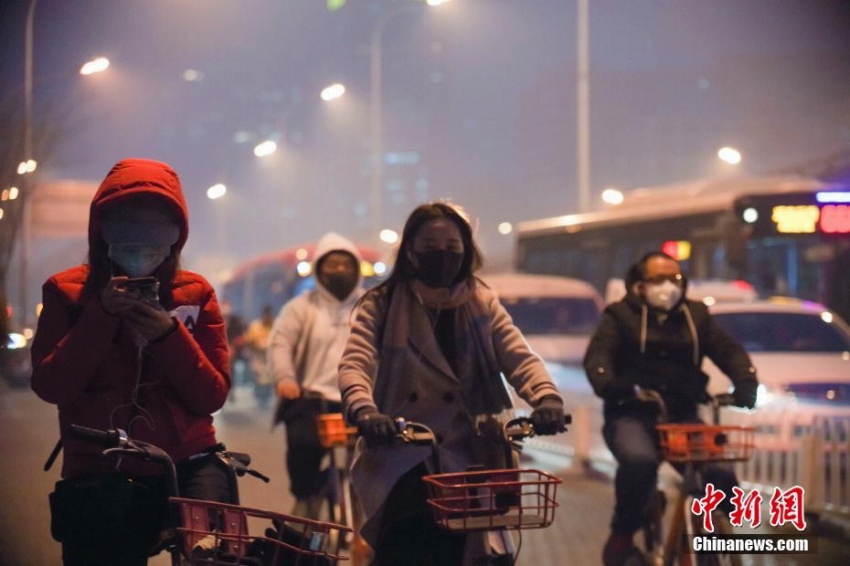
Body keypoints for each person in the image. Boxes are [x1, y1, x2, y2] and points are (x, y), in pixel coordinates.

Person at [338, 202, 567, 565]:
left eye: (451, 246)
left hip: (473, 451)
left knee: (488, 553)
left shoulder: (482, 301)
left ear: (466, 250)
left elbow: (518, 356)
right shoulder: (380, 305)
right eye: (430, 247)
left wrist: (547, 399)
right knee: (409, 538)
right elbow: (355, 363)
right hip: (403, 449)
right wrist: (365, 411)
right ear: (410, 252)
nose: (441, 255)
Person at [30, 158, 232, 565]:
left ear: (175, 238)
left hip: (186, 461)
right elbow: (51, 386)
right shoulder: (66, 292)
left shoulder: (195, 293)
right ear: (102, 233)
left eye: (155, 240)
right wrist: (100, 316)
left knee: (219, 551)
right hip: (101, 465)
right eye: (129, 240)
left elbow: (211, 395)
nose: (142, 253)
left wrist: (168, 335)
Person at [583, 251, 759, 566]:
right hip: (632, 413)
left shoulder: (696, 316)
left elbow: (728, 350)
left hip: (683, 417)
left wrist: (745, 381)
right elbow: (599, 357)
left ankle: (711, 540)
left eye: (674, 278)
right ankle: (623, 535)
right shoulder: (619, 317)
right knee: (639, 463)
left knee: (719, 472)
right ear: (638, 286)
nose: (668, 286)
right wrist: (611, 383)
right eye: (657, 279)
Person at [267, 232, 365, 519]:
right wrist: (286, 378)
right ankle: (305, 498)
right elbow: (281, 344)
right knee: (302, 448)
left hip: (361, 400)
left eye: (346, 265)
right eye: (331, 265)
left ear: (356, 268)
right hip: (312, 399)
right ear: (319, 269)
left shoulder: (371, 306)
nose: (339, 271)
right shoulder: (300, 308)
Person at [242, 305, 275, 407]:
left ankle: (267, 398)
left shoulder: (275, 326)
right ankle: (259, 397)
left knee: (269, 378)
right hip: (257, 356)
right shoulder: (255, 326)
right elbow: (248, 341)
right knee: (259, 378)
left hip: (270, 356)